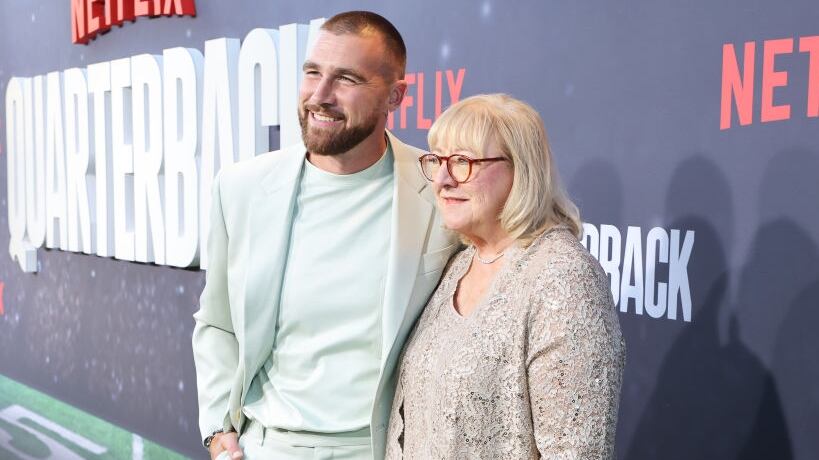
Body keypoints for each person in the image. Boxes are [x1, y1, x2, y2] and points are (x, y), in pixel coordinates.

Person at [192, 11, 459, 460]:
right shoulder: (240, 189)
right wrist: (220, 434)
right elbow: (217, 321)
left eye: (346, 79)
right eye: (312, 72)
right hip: (267, 447)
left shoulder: (439, 188)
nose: (319, 96)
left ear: (395, 96)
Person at [385, 94, 626, 459]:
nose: (443, 180)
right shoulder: (458, 264)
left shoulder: (563, 278)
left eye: (463, 161)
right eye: (438, 161)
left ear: (521, 169)